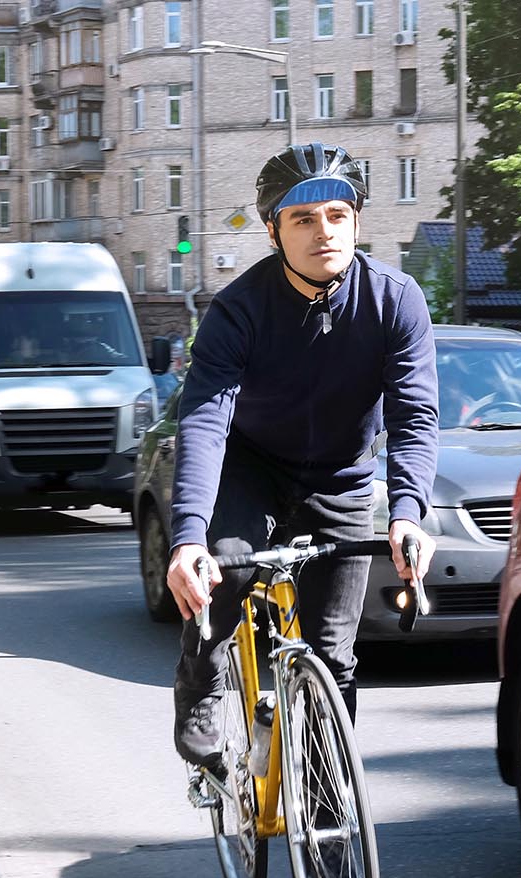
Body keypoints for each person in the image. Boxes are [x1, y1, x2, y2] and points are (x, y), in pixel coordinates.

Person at [165, 141, 440, 769]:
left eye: (338, 216)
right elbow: (206, 420)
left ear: (356, 221)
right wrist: (187, 540)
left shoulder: (395, 301)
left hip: (341, 482)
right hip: (252, 470)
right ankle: (202, 686)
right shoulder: (237, 311)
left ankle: (328, 800)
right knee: (225, 570)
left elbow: (413, 415)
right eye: (303, 219)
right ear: (273, 230)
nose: (325, 233)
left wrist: (406, 513)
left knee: (336, 655)